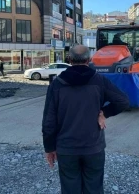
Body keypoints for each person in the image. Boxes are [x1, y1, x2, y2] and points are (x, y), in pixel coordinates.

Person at [42, 45, 129, 193]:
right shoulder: (99, 80)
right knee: (94, 187)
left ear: (69, 60)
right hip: (93, 148)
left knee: (70, 188)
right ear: (89, 60)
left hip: (66, 149)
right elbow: (123, 101)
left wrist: (49, 148)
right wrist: (104, 113)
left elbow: (49, 121)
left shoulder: (57, 84)